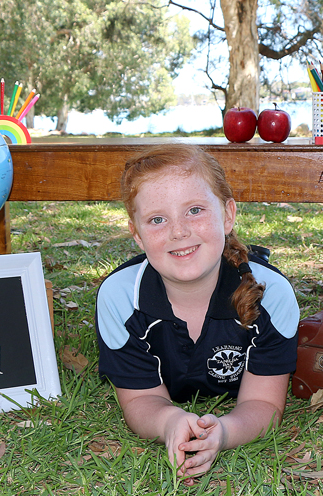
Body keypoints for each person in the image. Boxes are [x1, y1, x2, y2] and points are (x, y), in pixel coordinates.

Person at [95, 144, 299, 482]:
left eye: (194, 210)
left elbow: (265, 405)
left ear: (228, 214)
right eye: (157, 219)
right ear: (137, 234)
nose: (179, 231)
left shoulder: (271, 295)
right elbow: (141, 400)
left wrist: (224, 431)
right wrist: (169, 422)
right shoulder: (119, 297)